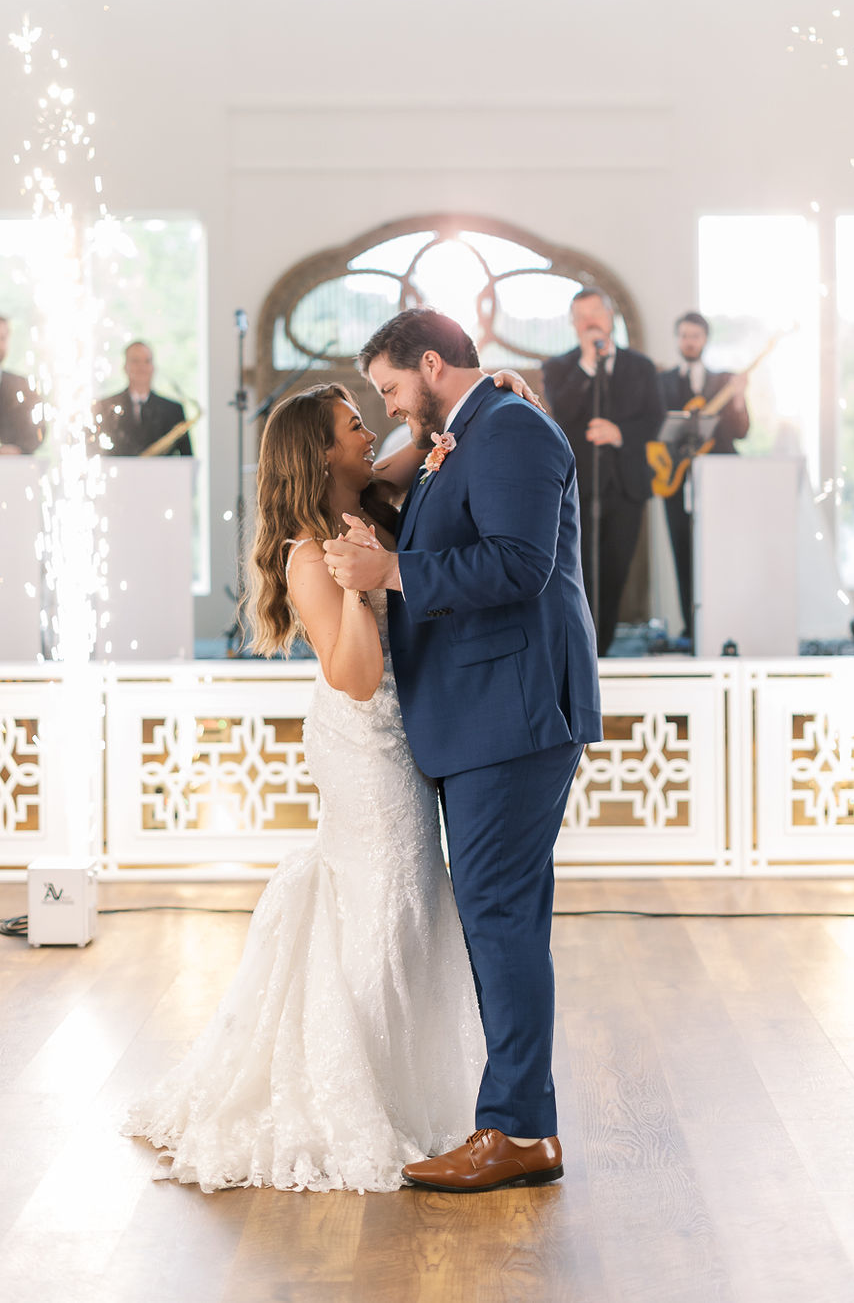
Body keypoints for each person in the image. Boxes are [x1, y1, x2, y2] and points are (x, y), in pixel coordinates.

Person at [122, 369, 538, 1193]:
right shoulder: (311, 554)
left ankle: (400, 1080)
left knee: (406, 903)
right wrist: (358, 589)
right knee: (385, 901)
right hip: (364, 743)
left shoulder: (367, 500)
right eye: (353, 423)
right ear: (320, 453)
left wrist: (492, 390)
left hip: (403, 735)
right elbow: (353, 675)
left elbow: (433, 442)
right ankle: (349, 1093)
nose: (369, 429)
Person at [325, 308, 602, 1194]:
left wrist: (392, 572)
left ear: (433, 363)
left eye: (392, 388)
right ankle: (521, 1124)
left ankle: (517, 1130)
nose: (390, 406)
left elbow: (520, 563)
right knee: (499, 917)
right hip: (479, 713)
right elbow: (408, 482)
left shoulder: (511, 428)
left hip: (512, 713)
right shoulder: (470, 428)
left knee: (499, 917)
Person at [541, 287, 662, 655]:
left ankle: (603, 650)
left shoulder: (640, 367)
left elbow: (655, 418)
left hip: (627, 488)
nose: (589, 322)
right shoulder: (559, 368)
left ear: (610, 318)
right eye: (581, 317)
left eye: (595, 313)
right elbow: (562, 412)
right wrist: (587, 366)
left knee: (616, 571)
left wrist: (619, 432)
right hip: (578, 490)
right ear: (573, 324)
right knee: (579, 570)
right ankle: (579, 650)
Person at [657, 311, 749, 639]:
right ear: (677, 339)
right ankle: (691, 630)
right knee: (683, 553)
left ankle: (725, 626)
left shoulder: (724, 381)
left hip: (720, 482)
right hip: (675, 479)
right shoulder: (662, 381)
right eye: (684, 336)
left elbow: (741, 432)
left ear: (705, 339)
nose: (689, 342)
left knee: (722, 552)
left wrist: (738, 398)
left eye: (695, 336)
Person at [95, 341, 193, 456]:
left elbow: (187, 458)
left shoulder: (173, 410)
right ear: (125, 367)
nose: (141, 367)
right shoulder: (104, 408)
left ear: (153, 367)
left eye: (147, 361)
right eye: (135, 361)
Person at [0, 312, 44, 455]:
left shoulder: (23, 386)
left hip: (17, 465)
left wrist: (19, 449)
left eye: (2, 338)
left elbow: (37, 429)